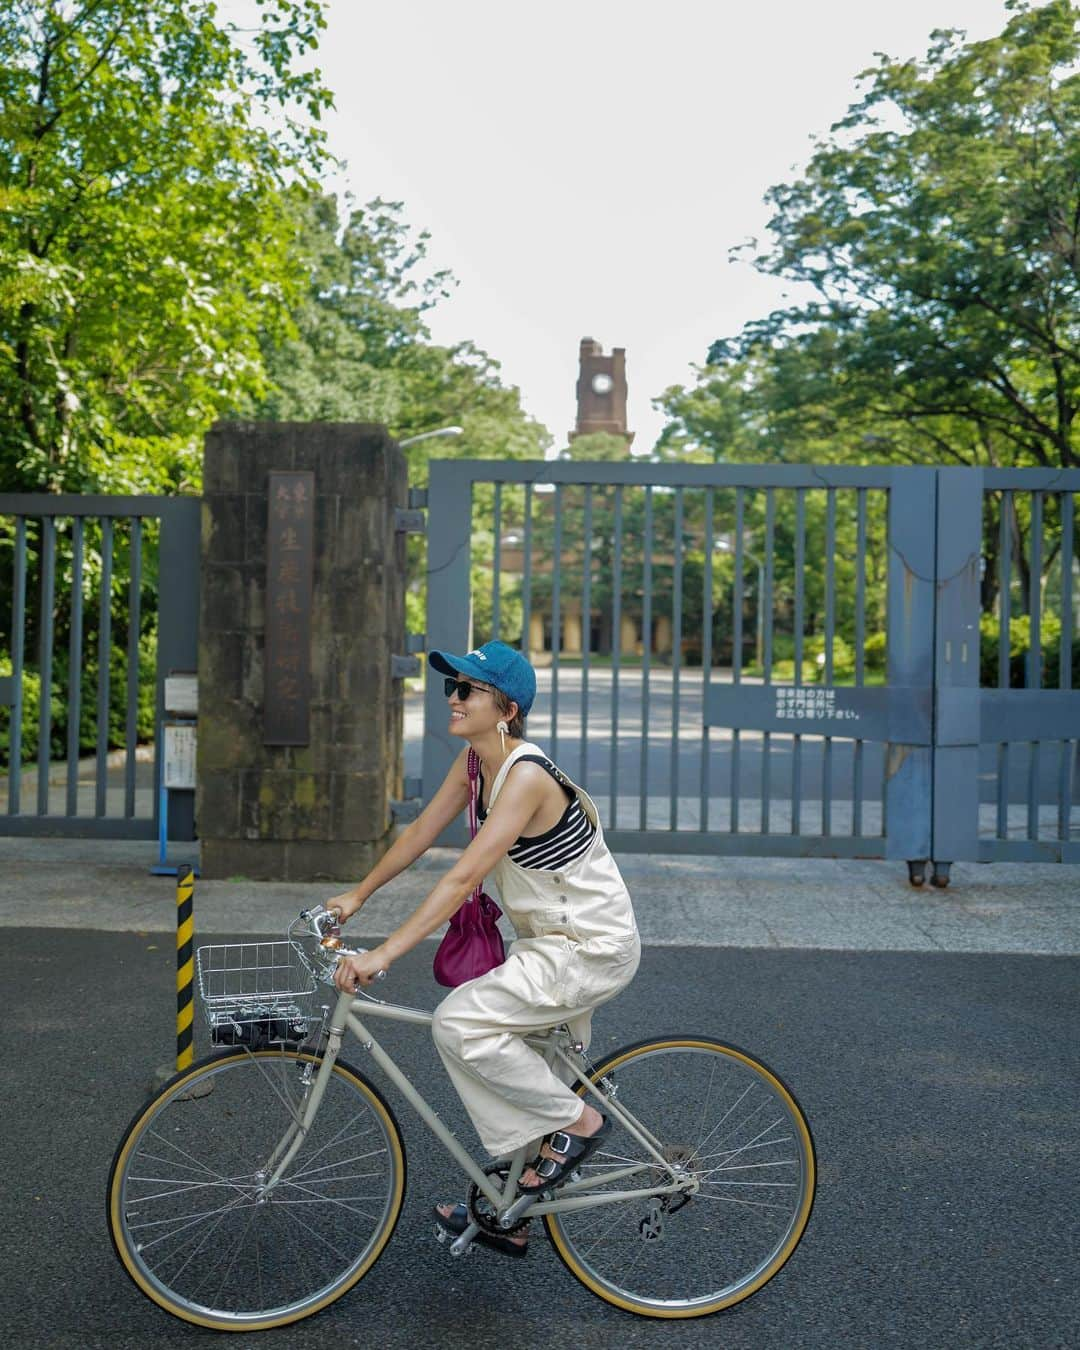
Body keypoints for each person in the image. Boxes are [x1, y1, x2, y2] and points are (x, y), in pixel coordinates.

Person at [328, 639, 640, 1256]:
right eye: (452, 685)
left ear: (506, 709)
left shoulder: (525, 775)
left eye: (467, 688)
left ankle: (580, 1124)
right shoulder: (476, 762)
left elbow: (464, 876)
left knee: (461, 1024)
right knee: (521, 1061)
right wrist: (356, 896)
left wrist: (382, 954)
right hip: (546, 944)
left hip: (586, 947)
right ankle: (516, 1209)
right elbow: (421, 832)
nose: (453, 696)